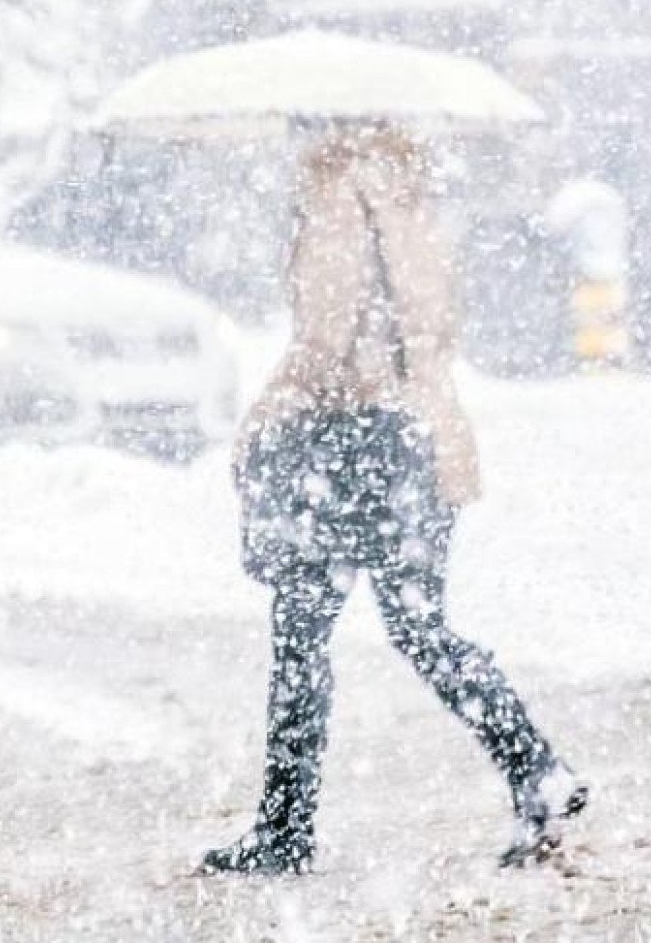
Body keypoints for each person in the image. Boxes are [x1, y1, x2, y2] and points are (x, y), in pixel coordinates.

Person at [202, 125, 585, 875]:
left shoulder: (336, 199)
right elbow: (429, 329)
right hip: (423, 437)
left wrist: (266, 412)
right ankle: (534, 766)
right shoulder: (412, 203)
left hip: (348, 443)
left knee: (301, 637)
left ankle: (284, 829)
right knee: (420, 627)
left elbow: (327, 339)